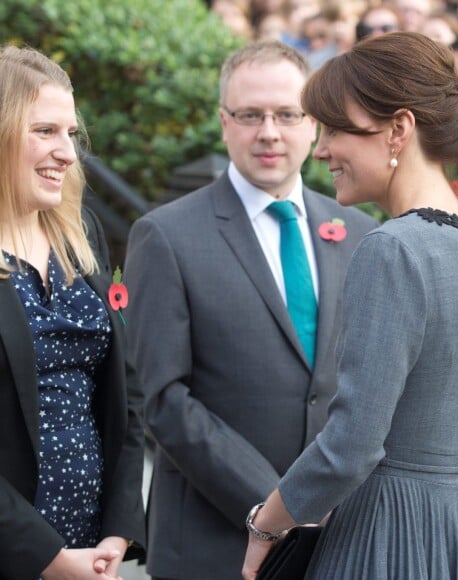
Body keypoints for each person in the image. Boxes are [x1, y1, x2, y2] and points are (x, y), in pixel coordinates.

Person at [241, 31, 458, 580]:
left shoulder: (393, 248)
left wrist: (266, 523)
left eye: (335, 128)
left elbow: (349, 448)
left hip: (388, 541)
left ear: (399, 128)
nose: (323, 148)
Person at [123, 39, 377, 580]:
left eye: (287, 114)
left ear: (313, 125)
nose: (269, 131)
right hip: (213, 544)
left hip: (338, 544)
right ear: (223, 122)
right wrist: (277, 504)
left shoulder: (360, 232)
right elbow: (165, 399)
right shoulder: (166, 236)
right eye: (249, 115)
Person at [0, 45, 146, 579]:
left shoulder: (80, 234)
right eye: (44, 131)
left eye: (70, 133)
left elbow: (124, 391)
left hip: (91, 549)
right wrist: (45, 558)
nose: (67, 152)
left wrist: (120, 527)